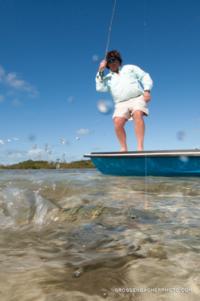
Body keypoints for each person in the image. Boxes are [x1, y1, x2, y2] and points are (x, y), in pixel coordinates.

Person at [95, 50, 153, 151]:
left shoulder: (129, 68)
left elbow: (144, 76)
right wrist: (100, 70)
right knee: (117, 122)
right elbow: (100, 88)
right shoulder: (107, 78)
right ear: (107, 64)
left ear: (119, 61)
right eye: (109, 61)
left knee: (138, 114)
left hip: (137, 98)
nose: (112, 62)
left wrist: (147, 90)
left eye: (114, 60)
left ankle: (140, 147)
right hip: (120, 103)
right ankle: (123, 148)